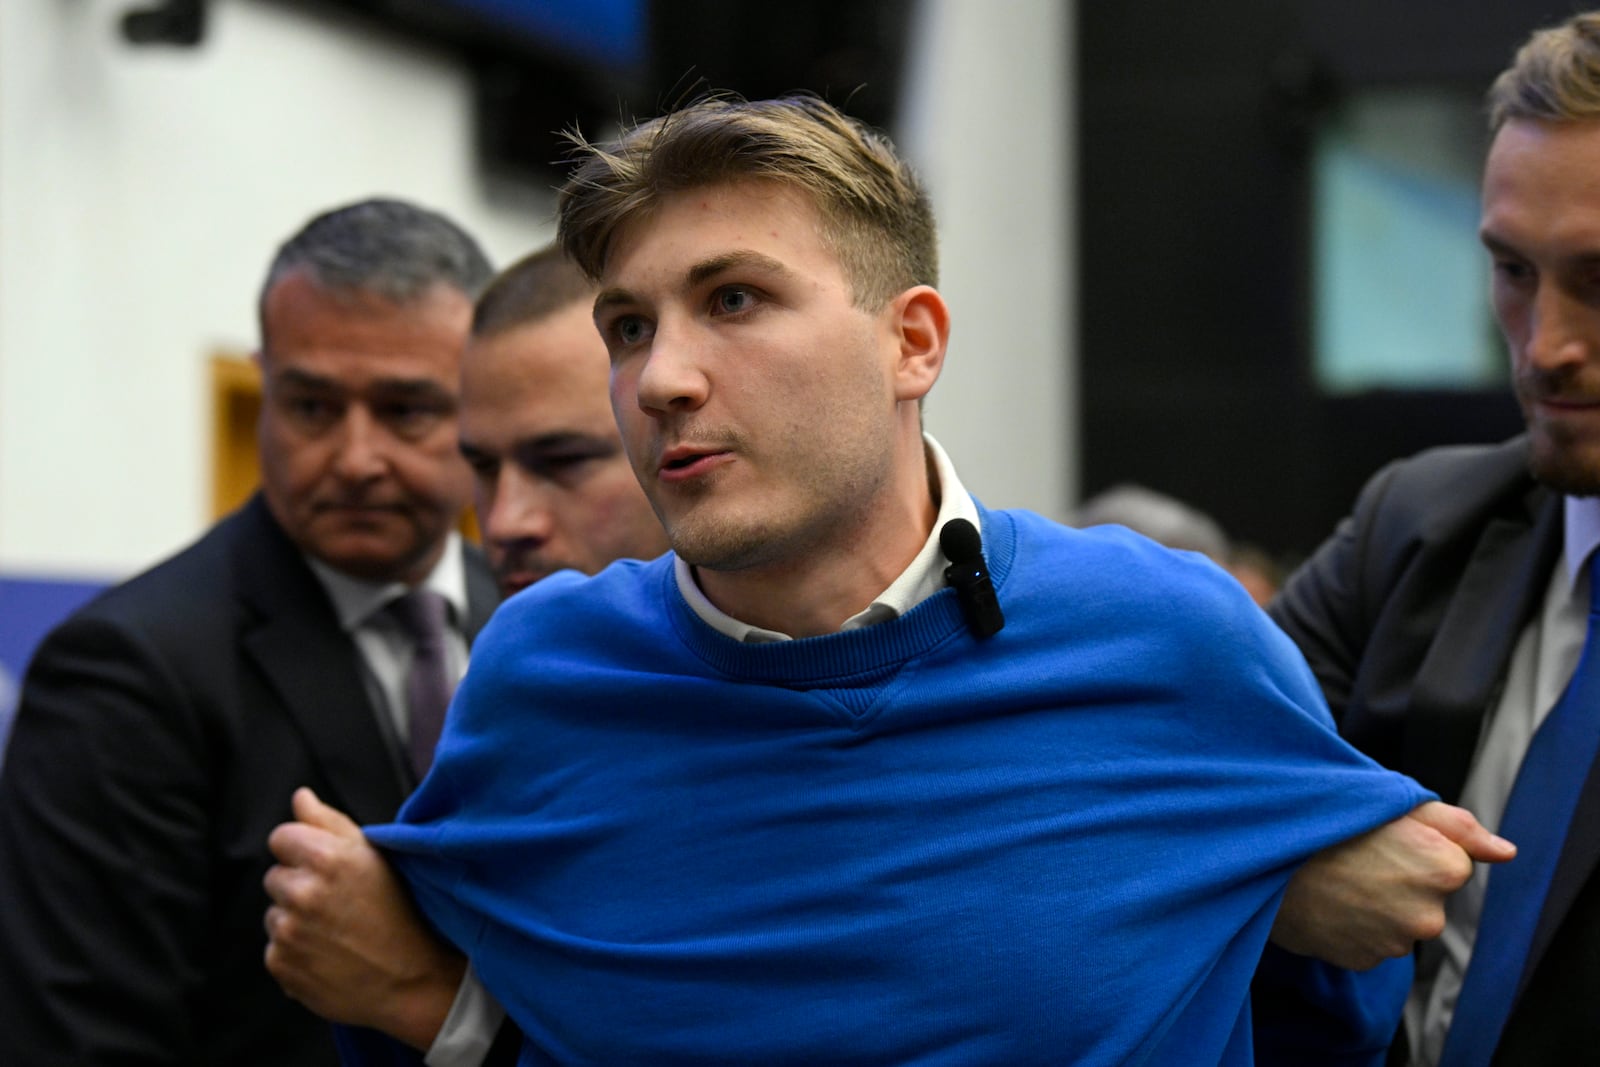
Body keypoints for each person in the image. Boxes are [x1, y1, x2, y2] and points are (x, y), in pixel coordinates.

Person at [321, 95, 1504, 1066]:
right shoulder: (542, 678)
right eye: (628, 326)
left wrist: (1269, 876)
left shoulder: (1168, 633)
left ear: (913, 341)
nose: (661, 376)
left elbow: (1334, 1018)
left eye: (734, 299)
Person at [0, 198, 499, 1066]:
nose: (354, 457)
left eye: (406, 410)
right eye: (310, 405)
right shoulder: (126, 669)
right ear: (264, 386)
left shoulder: (540, 619)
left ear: (480, 405)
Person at [1261, 11, 1600, 1064]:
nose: (1544, 346)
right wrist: (1286, 871)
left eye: (1598, 278)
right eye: (1511, 269)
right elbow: (1167, 769)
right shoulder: (1418, 527)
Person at [261, 243, 669, 1061]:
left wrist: (433, 996)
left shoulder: (836, 676)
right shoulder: (517, 691)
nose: (506, 518)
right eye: (481, 465)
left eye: (563, 460)